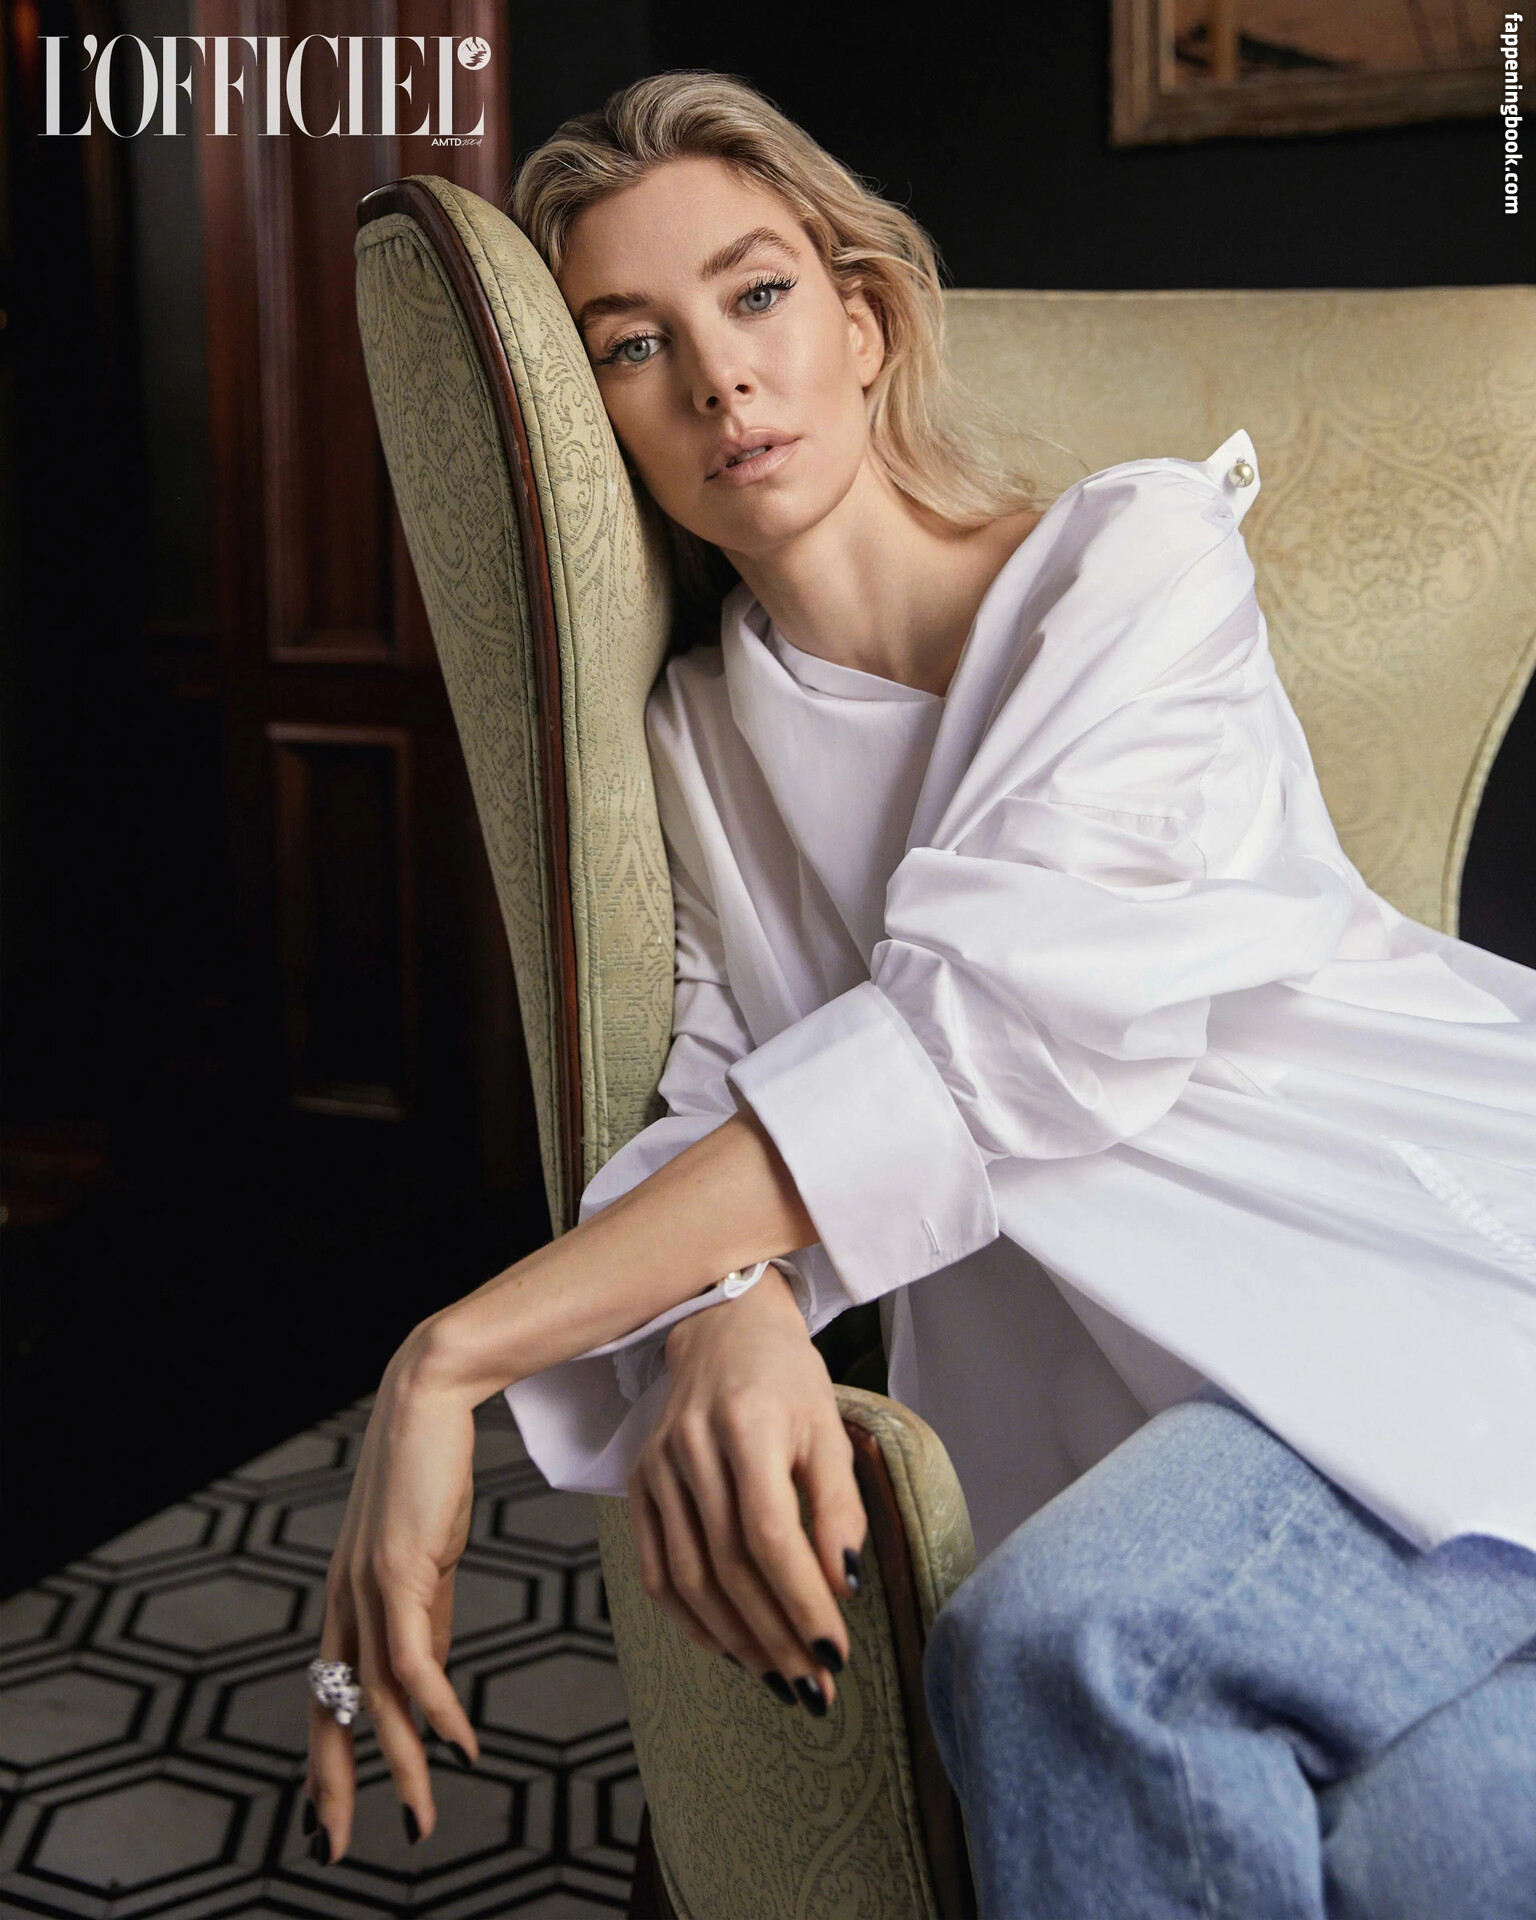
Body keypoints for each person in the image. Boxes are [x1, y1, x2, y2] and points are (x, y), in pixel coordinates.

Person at [303, 71, 1536, 1914]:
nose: (719, 379)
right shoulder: (700, 744)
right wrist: (728, 1308)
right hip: (1137, 1431)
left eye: (757, 294)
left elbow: (970, 1047)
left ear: (865, 321)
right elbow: (711, 1111)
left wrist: (450, 1355)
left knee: (1074, 1648)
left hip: (1403, 1285)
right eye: (633, 344)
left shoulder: (1132, 564)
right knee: (1432, 1844)